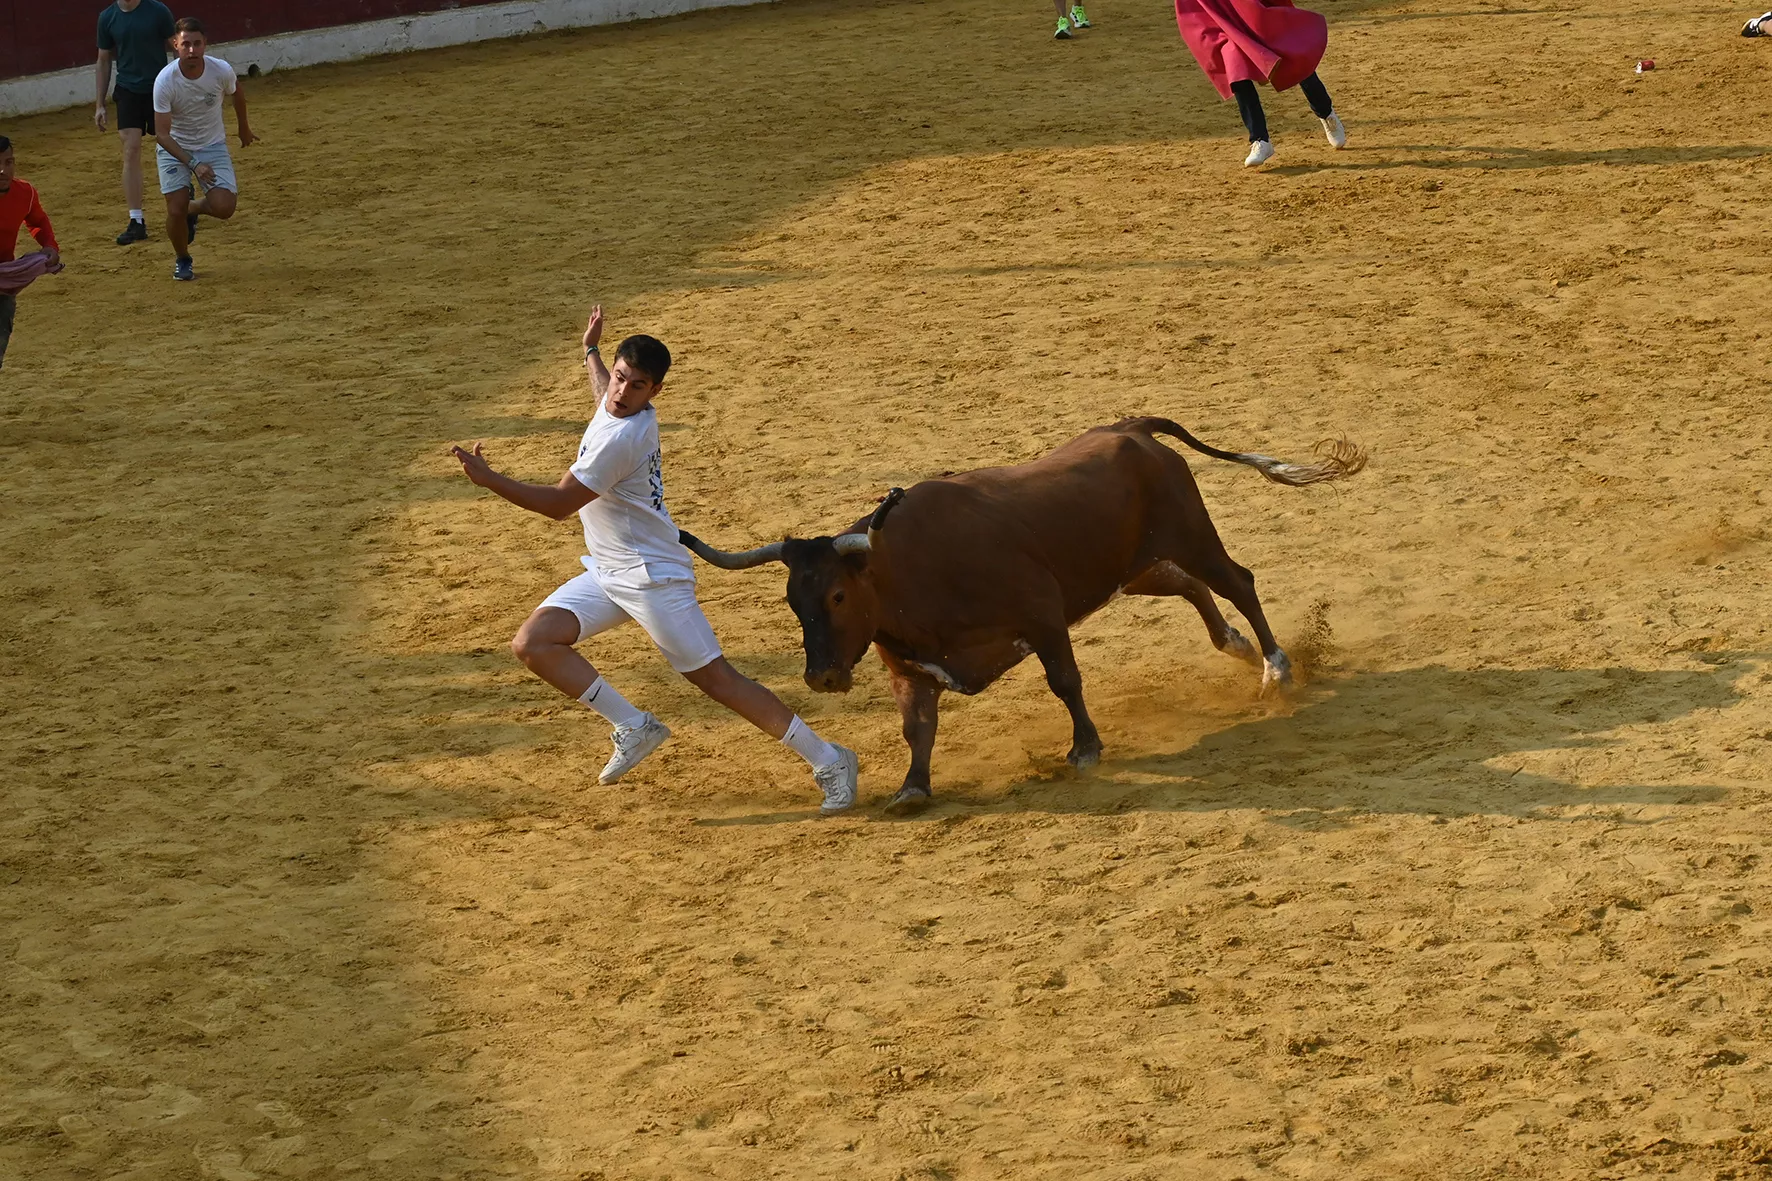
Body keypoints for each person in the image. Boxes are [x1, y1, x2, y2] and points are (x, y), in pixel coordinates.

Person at [449, 307, 861, 814]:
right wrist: (592, 351)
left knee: (718, 681)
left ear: (655, 392)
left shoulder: (624, 439)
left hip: (652, 578)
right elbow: (601, 392)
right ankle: (634, 725)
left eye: (636, 386)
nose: (621, 393)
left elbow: (557, 506)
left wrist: (490, 480)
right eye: (621, 378)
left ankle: (830, 759)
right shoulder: (616, 401)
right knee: (534, 642)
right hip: (608, 570)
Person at [1173, 0, 1347, 166]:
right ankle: (1259, 140)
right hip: (1214, 10)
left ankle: (1325, 113)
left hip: (1248, 7)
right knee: (1235, 65)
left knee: (1288, 52)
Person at [152, 17, 256, 281]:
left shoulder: (220, 70)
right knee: (174, 209)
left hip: (212, 145)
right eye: (185, 44)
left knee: (224, 207)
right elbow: (162, 135)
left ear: (205, 44)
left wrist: (243, 127)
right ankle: (183, 259)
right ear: (175, 45)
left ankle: (193, 208)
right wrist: (194, 164)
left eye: (197, 44)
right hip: (175, 147)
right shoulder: (165, 81)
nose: (191, 50)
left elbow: (237, 93)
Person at [95, 0, 177, 245]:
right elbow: (103, 59)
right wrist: (99, 103)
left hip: (160, 87)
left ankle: (183, 202)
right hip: (128, 90)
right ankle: (136, 219)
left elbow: (176, 48)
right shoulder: (107, 17)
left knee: (171, 146)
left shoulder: (158, 11)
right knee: (131, 149)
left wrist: (178, 86)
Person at [0, 138, 62, 370]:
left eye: (9, 162)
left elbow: (37, 221)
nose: (3, 170)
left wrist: (49, 246)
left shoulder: (24, 193)